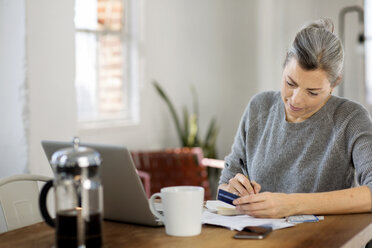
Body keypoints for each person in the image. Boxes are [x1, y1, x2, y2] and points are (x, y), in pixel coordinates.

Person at [218, 18, 372, 218]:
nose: (296, 100)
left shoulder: (350, 119)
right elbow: (224, 187)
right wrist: (231, 191)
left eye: (313, 92)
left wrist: (293, 204)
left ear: (335, 83)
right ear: (284, 65)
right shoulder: (259, 107)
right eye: (290, 83)